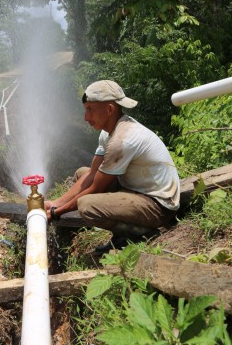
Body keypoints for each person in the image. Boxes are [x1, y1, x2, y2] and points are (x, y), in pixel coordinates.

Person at [45, 80, 180, 251]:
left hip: (157, 205)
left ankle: (140, 233)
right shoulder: (108, 132)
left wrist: (57, 213)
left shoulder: (123, 140)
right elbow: (93, 174)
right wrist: (55, 203)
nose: (86, 118)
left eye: (90, 110)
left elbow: (95, 188)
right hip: (134, 190)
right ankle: (122, 235)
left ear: (110, 109)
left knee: (87, 205)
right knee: (82, 173)